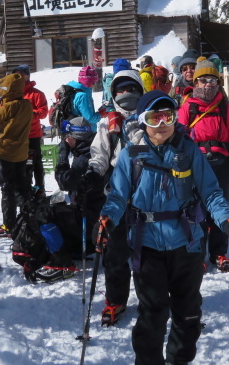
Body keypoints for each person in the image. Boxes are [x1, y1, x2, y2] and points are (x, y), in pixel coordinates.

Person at [94, 90, 229, 365]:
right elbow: (117, 196)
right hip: (146, 246)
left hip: (187, 243)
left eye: (168, 116)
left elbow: (211, 193)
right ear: (143, 121)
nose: (162, 123)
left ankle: (179, 360)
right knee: (153, 313)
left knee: (188, 314)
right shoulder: (131, 156)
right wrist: (107, 219)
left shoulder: (189, 151)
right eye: (155, 117)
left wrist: (226, 220)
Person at [86, 69, 145, 326]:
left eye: (132, 88)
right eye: (121, 89)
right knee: (116, 252)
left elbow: (147, 155)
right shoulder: (107, 121)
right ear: (113, 93)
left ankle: (150, 298)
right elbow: (99, 152)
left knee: (147, 252)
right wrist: (92, 172)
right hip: (117, 195)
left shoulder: (151, 117)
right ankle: (116, 299)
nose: (126, 94)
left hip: (147, 195)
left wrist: (135, 131)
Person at [177, 59, 229, 272]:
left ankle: (219, 252)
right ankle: (197, 253)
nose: (208, 84)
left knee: (220, 206)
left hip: (221, 162)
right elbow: (179, 136)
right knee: (196, 210)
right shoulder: (188, 105)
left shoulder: (224, 106)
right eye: (203, 80)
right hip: (196, 164)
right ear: (196, 82)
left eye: (212, 80)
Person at [0, 72, 34, 238]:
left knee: (7, 189)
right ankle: (27, 220)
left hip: (7, 152)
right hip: (22, 152)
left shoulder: (9, 106)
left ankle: (9, 225)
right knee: (22, 188)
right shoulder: (26, 104)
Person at [54, 116, 99, 251]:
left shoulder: (85, 157)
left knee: (43, 214)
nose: (65, 140)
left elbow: (64, 182)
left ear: (76, 137)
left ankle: (60, 262)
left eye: (68, 136)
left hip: (88, 220)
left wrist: (63, 157)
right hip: (90, 214)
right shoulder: (89, 149)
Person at [13, 64, 49, 196]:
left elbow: (43, 112)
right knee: (21, 165)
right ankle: (25, 190)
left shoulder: (37, 94)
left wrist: (29, 113)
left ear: (28, 76)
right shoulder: (12, 94)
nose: (20, 77)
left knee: (36, 163)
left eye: (23, 74)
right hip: (17, 135)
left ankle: (40, 188)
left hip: (33, 134)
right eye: (17, 75)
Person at [67, 66, 105, 133]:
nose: (94, 85)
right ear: (88, 82)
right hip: (83, 133)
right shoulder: (82, 96)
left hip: (72, 130)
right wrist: (101, 114)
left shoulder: (72, 90)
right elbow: (89, 118)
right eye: (93, 82)